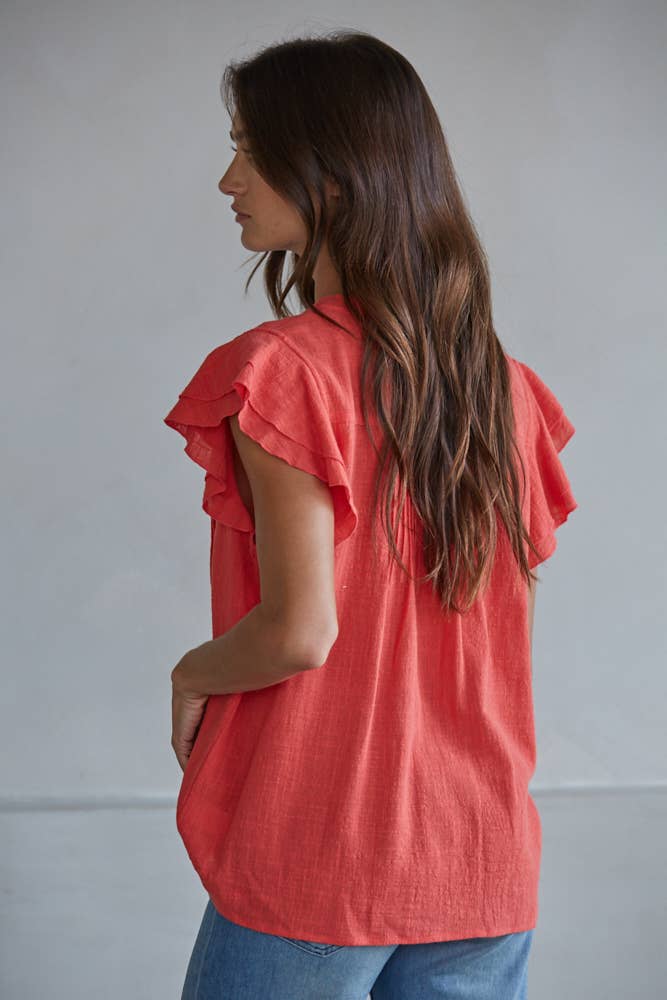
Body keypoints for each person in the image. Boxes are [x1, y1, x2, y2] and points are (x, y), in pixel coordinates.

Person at [163, 29, 578, 1000]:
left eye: (249, 149)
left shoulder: (283, 371)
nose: (229, 179)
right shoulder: (504, 390)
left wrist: (191, 671)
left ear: (334, 176)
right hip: (481, 862)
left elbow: (301, 632)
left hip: (326, 854)